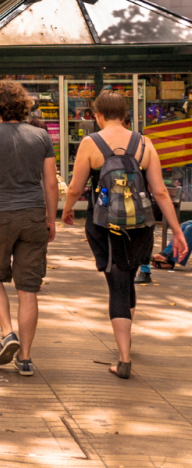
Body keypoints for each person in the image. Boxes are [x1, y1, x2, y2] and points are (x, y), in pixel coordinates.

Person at [63, 89, 189, 379]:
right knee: (128, 277)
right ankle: (126, 341)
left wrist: (66, 210)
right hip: (141, 226)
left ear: (98, 115)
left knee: (117, 283)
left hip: (104, 225)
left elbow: (74, 187)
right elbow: (159, 191)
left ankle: (123, 357)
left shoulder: (90, 142)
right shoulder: (144, 143)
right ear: (125, 115)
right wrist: (177, 233)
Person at [0, 80, 58, 377]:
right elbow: (50, 182)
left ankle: (8, 332)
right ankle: (26, 358)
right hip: (33, 216)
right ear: (24, 105)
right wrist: (50, 218)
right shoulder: (41, 136)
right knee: (29, 288)